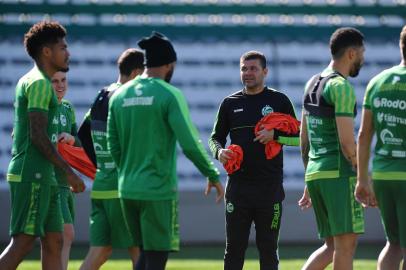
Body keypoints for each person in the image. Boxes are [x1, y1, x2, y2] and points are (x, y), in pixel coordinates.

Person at [107, 32, 224, 270]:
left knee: (144, 256)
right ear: (170, 65)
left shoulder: (119, 95)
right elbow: (189, 143)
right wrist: (211, 174)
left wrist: (128, 172)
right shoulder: (169, 94)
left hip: (127, 188)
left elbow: (113, 145)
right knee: (157, 256)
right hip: (157, 190)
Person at [0, 21, 85, 270]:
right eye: (63, 47)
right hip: (32, 173)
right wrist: (69, 172)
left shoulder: (42, 82)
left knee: (54, 242)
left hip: (43, 174)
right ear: (47, 52)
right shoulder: (38, 82)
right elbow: (38, 137)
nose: (68, 53)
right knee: (23, 243)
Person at [209, 50, 299, 270]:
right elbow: (215, 138)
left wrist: (275, 136)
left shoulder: (279, 100)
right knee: (233, 251)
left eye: (253, 68)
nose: (248, 73)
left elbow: (300, 137)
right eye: (244, 68)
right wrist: (219, 152)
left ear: (265, 72)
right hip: (238, 189)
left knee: (268, 251)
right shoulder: (229, 103)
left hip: (270, 189)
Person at [299, 27, 365, 270]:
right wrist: (363, 176)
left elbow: (304, 138)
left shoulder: (311, 82)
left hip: (316, 172)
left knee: (332, 247)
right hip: (339, 174)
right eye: (361, 53)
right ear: (351, 53)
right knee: (346, 248)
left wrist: (308, 176)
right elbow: (348, 144)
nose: (363, 59)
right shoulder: (341, 87)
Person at [79, 48, 145, 270]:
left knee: (100, 251)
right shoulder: (126, 97)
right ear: (137, 72)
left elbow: (82, 134)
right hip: (122, 188)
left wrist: (101, 165)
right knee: (139, 250)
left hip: (101, 186)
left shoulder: (101, 95)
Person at [355, 25, 406, 270]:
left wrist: (362, 179)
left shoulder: (377, 82)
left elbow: (364, 134)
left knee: (393, 244)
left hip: (384, 173)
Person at [51, 71, 80, 270]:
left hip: (65, 181)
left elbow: (78, 141)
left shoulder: (68, 108)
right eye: (54, 81)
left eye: (63, 80)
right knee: (65, 234)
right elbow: (19, 135)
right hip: (49, 180)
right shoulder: (40, 107)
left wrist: (70, 138)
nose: (60, 85)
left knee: (63, 238)